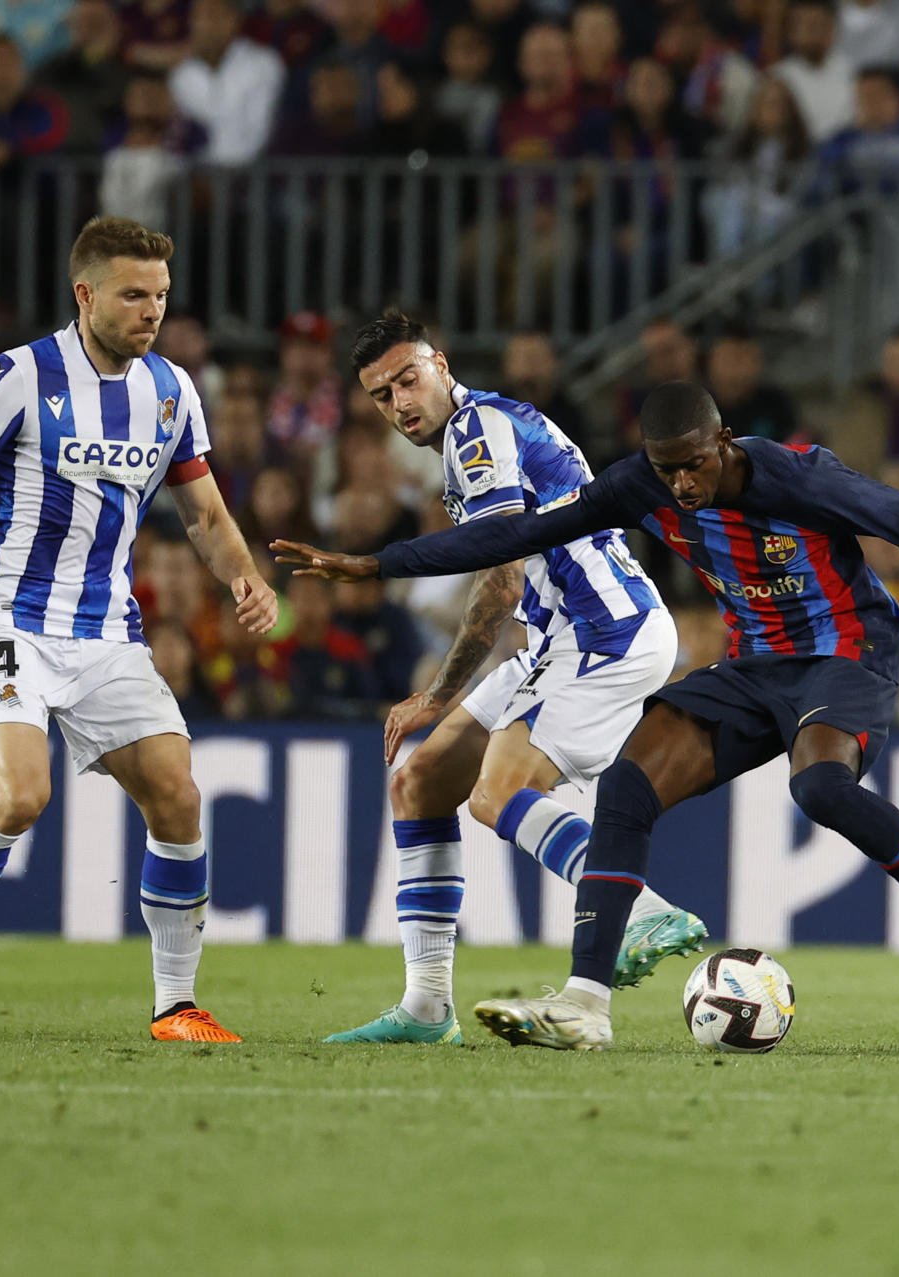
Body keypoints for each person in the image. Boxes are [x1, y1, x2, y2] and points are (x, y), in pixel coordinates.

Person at [277, 381, 899, 1051]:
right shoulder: (638, 485)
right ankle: (585, 1003)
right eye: (668, 469)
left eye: (695, 464)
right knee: (626, 786)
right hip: (752, 661)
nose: (682, 483)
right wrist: (378, 564)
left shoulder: (795, 476)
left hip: (845, 651)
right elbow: (519, 532)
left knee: (819, 789)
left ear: (723, 441)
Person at [0, 217, 279, 1044]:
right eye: (133, 294)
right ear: (85, 294)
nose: (151, 309)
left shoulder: (171, 391)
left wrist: (243, 573)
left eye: (160, 294)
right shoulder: (19, 376)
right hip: (12, 617)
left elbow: (204, 511)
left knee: (179, 795)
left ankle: (175, 1002)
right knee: (19, 795)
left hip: (107, 632)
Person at [275, 310, 702, 1047]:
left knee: (498, 792)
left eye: (409, 379)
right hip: (562, 635)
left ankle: (644, 909)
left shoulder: (479, 433)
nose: (401, 403)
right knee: (422, 783)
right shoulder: (482, 433)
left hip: (607, 631)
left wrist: (436, 692)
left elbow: (501, 578)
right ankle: (426, 1006)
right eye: (381, 395)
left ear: (442, 364)